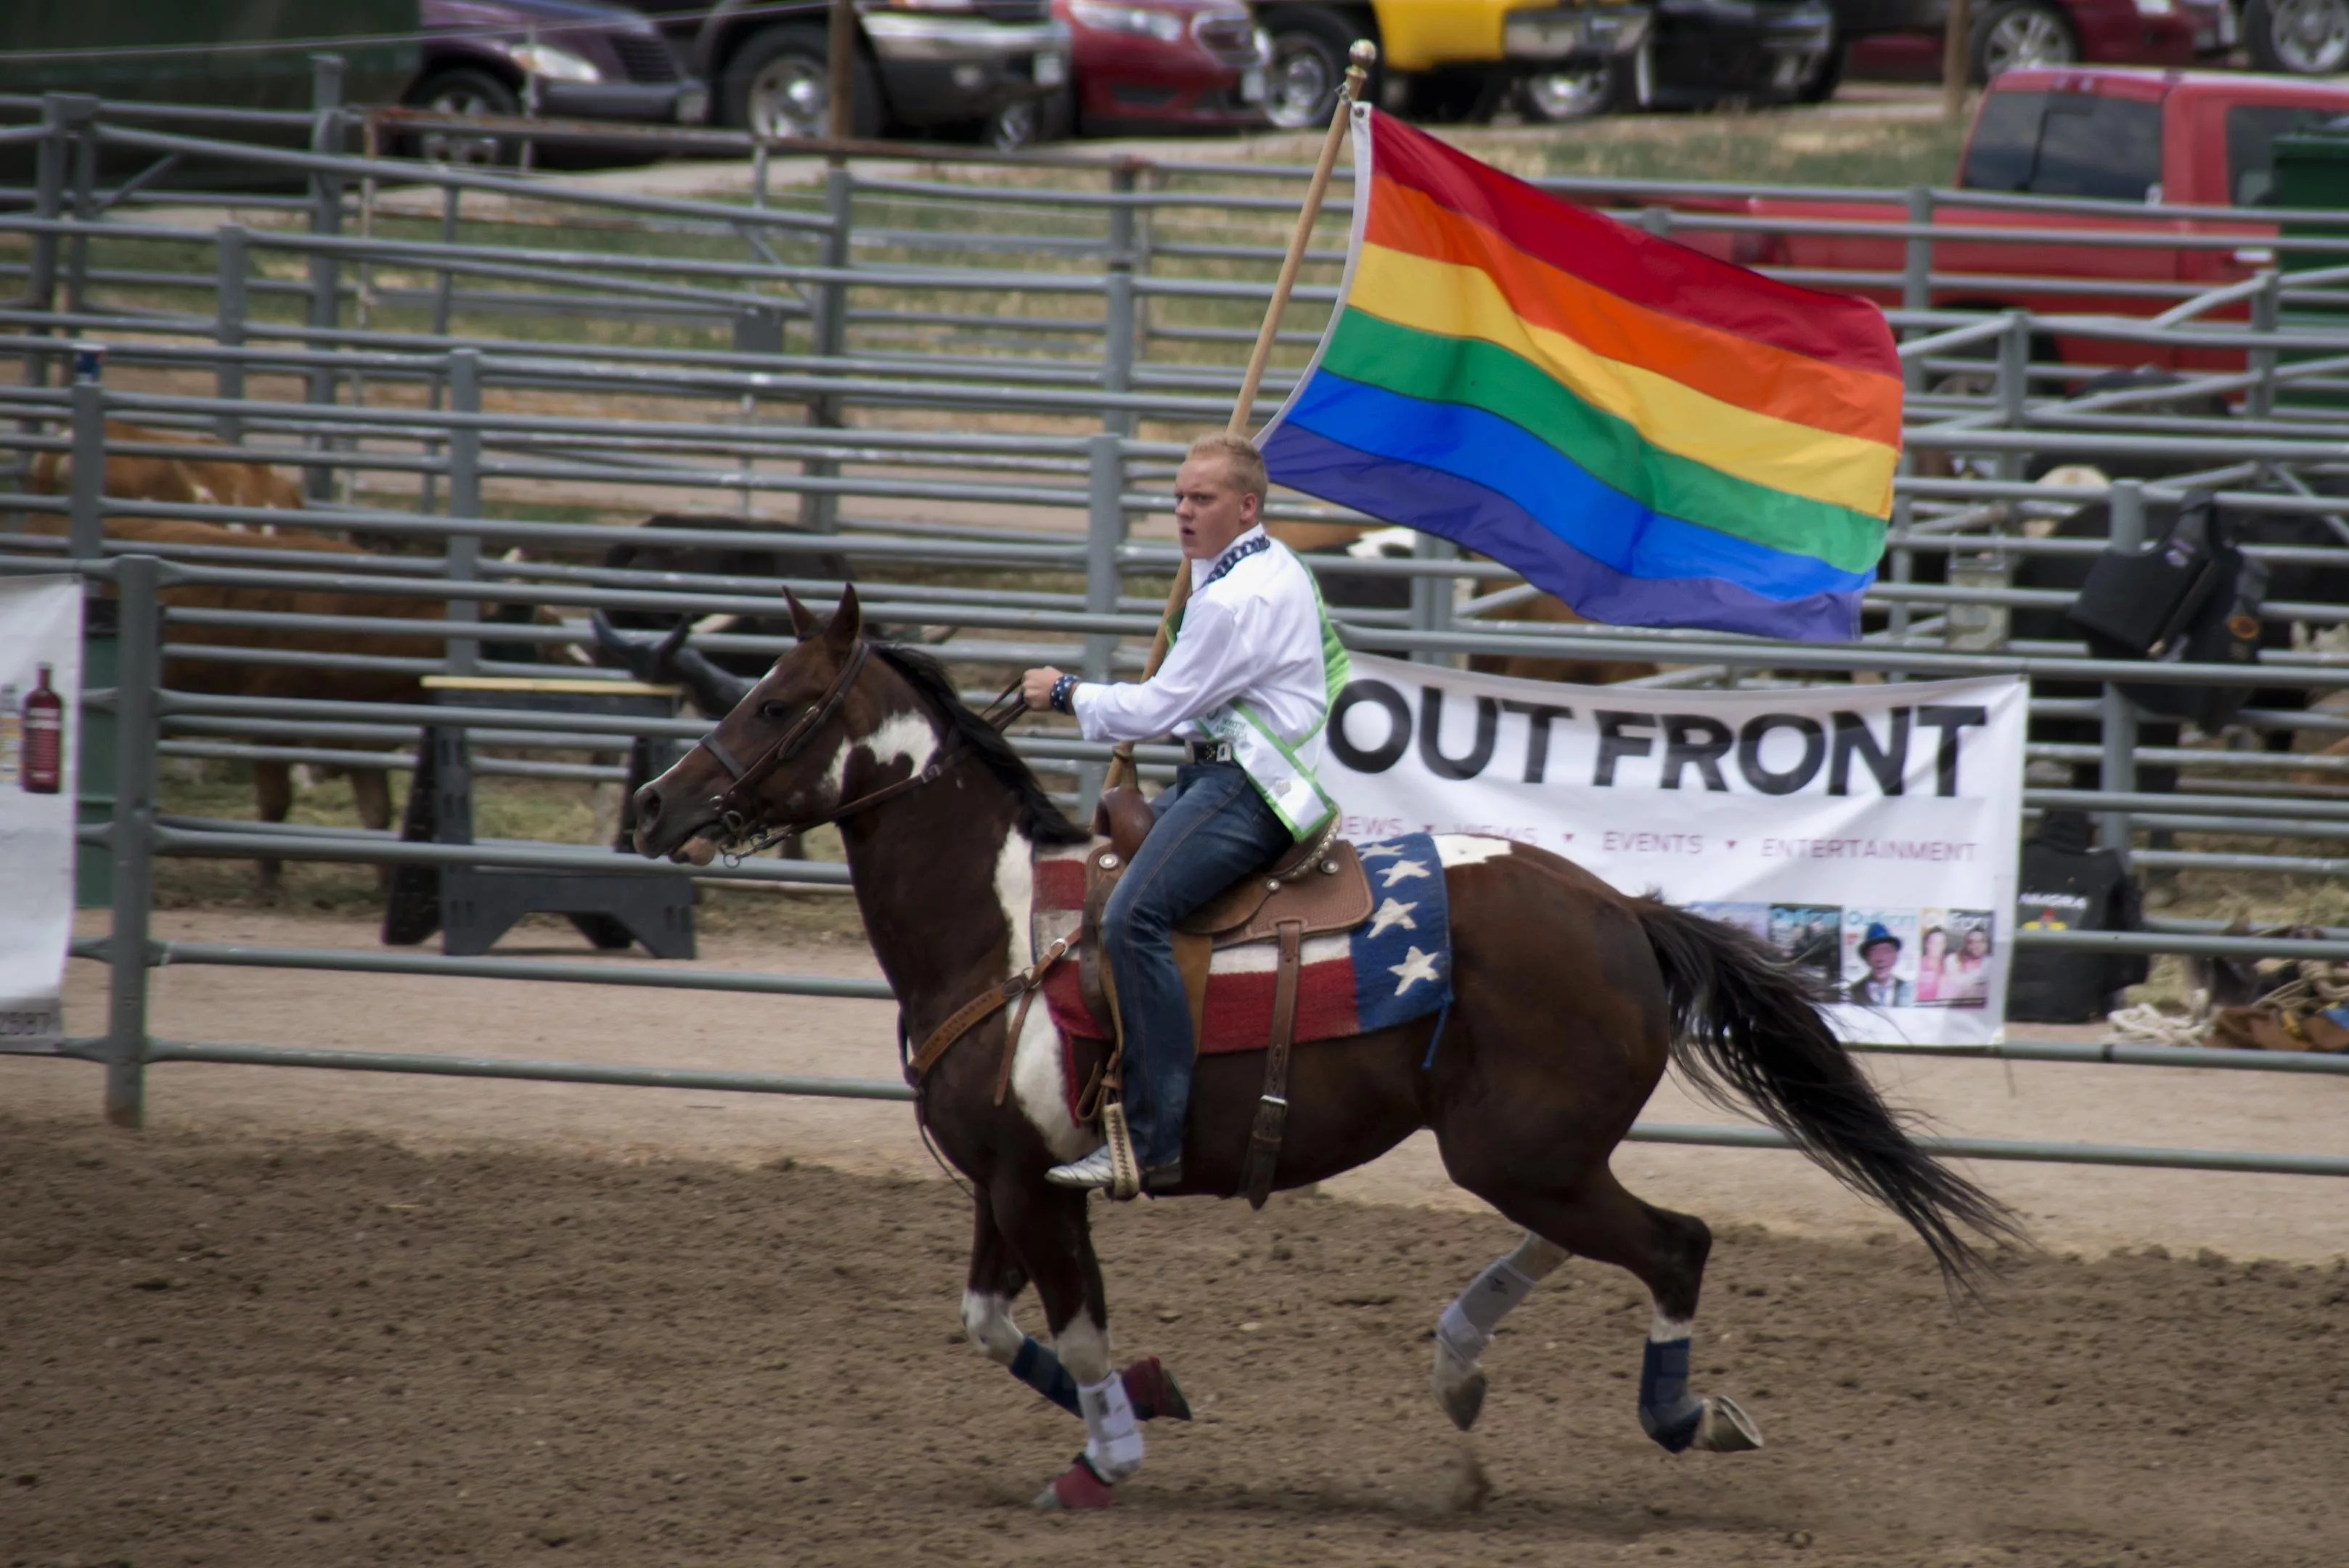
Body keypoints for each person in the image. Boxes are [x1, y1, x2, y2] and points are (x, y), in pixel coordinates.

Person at [1020, 433, 1349, 1195]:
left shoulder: (1239, 597)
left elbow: (1163, 707)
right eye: (1176, 497)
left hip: (1247, 788)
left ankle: (1150, 1136)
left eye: (1199, 499)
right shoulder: (1243, 568)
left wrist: (1066, 693)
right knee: (1101, 885)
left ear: (1245, 506)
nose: (1180, 511)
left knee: (1134, 916)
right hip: (1223, 775)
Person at [1845, 924, 1913, 1008]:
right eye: (1873, 952)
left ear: (1895, 957)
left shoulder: (1908, 989)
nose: (1880, 959)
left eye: (1885, 951)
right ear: (1866, 959)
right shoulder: (1852, 993)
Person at [1914, 926, 1950, 1003]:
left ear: (1944, 946)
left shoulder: (1950, 966)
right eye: (1933, 943)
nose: (1936, 947)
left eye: (1940, 944)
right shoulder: (1916, 966)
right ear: (1927, 944)